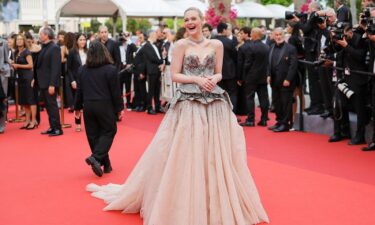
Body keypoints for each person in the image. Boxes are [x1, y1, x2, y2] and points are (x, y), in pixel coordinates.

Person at [87, 7, 269, 225]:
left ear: (202, 21)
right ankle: (184, 198)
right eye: (186, 20)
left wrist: (213, 78)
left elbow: (220, 72)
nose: (190, 22)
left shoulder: (217, 44)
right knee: (186, 149)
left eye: (193, 19)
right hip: (188, 103)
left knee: (213, 150)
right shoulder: (181, 45)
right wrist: (197, 80)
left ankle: (213, 197)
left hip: (214, 103)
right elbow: (174, 75)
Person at [74, 41, 124, 177]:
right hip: (105, 105)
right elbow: (115, 92)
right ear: (104, 52)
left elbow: (80, 91)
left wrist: (77, 107)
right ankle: (96, 158)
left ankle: (106, 165)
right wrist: (119, 108)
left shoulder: (82, 70)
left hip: (88, 106)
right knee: (109, 131)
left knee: (94, 135)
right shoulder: (110, 69)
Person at [267, 28, 298, 132]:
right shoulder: (271, 47)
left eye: (280, 34)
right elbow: (269, 63)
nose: (278, 37)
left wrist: (288, 79)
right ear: (273, 36)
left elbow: (293, 66)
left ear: (283, 35)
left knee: (286, 103)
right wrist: (268, 75)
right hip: (274, 81)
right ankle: (279, 121)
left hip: (286, 81)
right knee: (277, 103)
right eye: (276, 35)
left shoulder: (291, 48)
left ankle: (285, 124)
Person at [239, 28, 270, 127]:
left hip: (251, 77)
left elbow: (247, 63)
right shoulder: (266, 47)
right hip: (263, 76)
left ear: (255, 35)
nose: (250, 34)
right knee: (263, 98)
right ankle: (264, 119)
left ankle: (250, 120)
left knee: (250, 98)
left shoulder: (251, 47)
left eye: (252, 33)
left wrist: (243, 76)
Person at [36, 27, 63, 137]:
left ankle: (58, 128)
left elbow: (55, 68)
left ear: (47, 35)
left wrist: (52, 84)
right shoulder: (44, 47)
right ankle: (52, 127)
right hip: (43, 82)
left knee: (52, 106)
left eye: (41, 34)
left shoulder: (54, 48)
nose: (39, 36)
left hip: (50, 83)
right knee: (48, 106)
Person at [11, 34, 38, 130]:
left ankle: (34, 121)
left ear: (24, 41)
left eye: (21, 39)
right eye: (17, 39)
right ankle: (27, 120)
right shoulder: (15, 52)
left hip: (28, 78)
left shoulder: (27, 52)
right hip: (20, 78)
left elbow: (31, 65)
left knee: (31, 100)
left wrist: (17, 65)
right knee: (24, 101)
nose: (19, 41)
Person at [67, 33, 87, 132]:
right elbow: (69, 68)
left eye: (84, 39)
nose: (83, 41)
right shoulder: (72, 52)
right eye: (80, 40)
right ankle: (78, 123)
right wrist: (72, 80)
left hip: (88, 80)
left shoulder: (89, 51)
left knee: (88, 103)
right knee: (77, 103)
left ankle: (89, 123)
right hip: (76, 81)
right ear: (77, 41)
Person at [0, 37, 10, 134]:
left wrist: (4, 69)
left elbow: (7, 59)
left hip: (1, 75)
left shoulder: (4, 43)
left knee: (2, 99)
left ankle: (1, 125)